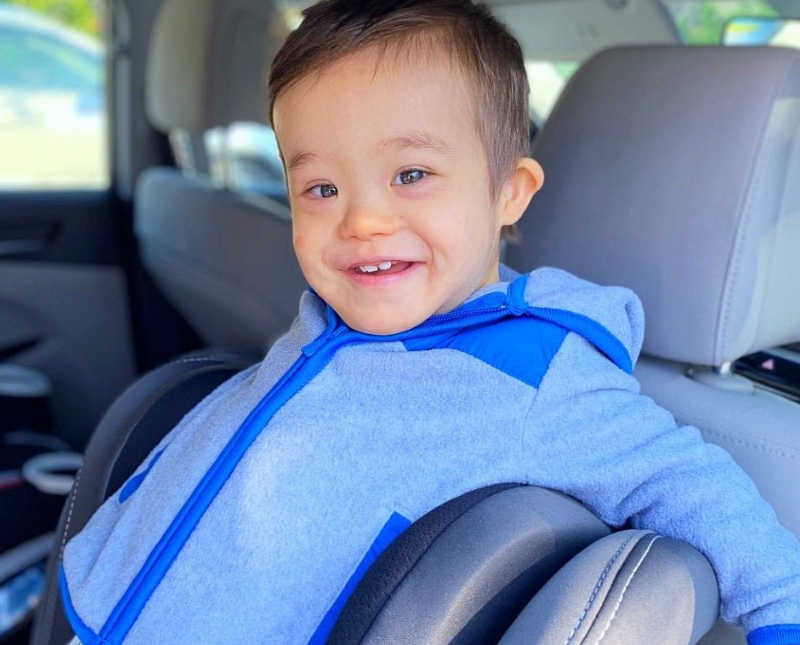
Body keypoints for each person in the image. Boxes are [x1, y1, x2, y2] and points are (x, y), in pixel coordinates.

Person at [60, 1, 800, 643]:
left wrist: (782, 613)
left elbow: (693, 484)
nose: (363, 220)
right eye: (320, 187)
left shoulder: (543, 374)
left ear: (509, 192)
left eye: (410, 175)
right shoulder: (336, 311)